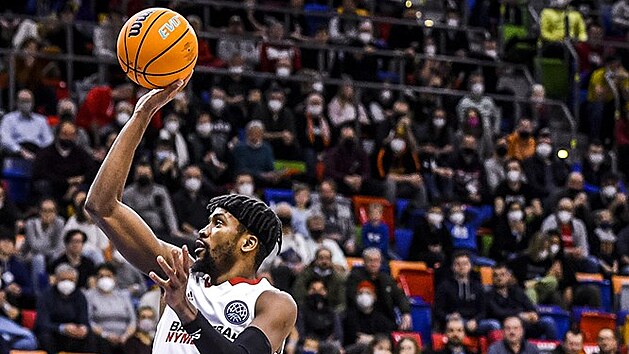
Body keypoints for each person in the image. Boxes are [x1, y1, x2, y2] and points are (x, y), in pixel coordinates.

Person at [85, 78, 297, 354]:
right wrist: (142, 115)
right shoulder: (180, 271)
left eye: (218, 223)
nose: (202, 231)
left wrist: (185, 310)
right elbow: (102, 206)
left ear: (248, 243)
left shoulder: (271, 302)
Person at [35, 263, 92, 354]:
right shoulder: (46, 296)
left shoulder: (80, 296)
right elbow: (41, 323)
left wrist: (83, 329)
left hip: (74, 334)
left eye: (71, 280)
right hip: (54, 332)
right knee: (45, 337)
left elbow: (84, 320)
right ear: (56, 279)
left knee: (91, 337)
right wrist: (62, 328)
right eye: (63, 279)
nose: (67, 283)